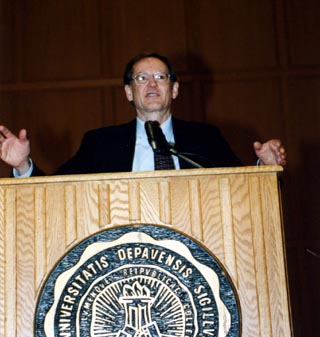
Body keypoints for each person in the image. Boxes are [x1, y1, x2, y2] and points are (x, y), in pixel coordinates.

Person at [0, 52, 286, 177]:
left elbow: (239, 185)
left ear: (173, 90)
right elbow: (57, 192)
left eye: (160, 77)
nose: (151, 84)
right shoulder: (100, 143)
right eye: (141, 78)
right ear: (128, 92)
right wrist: (24, 166)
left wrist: (265, 169)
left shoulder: (205, 138)